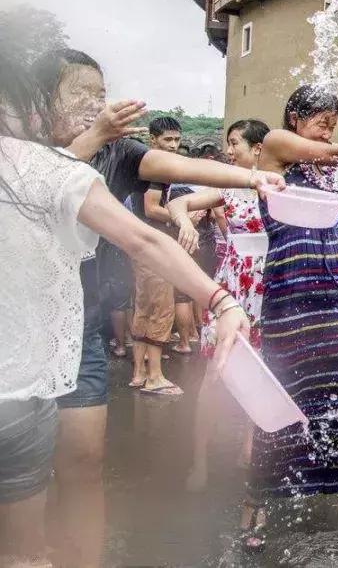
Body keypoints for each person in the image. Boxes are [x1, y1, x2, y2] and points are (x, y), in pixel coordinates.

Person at [30, 48, 283, 568]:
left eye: (99, 94)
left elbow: (184, 172)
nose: (96, 104)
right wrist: (94, 135)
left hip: (80, 327)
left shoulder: (120, 153)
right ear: (41, 104)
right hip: (17, 325)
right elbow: (40, 188)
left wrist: (252, 178)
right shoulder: (22, 149)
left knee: (82, 460)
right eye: (80, 94)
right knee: (22, 466)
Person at [245, 85, 338, 553]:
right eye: (320, 119)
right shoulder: (276, 149)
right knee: (278, 399)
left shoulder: (328, 174)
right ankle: (258, 502)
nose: (328, 128)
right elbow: (332, 153)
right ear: (294, 117)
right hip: (289, 295)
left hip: (333, 294)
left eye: (333, 120)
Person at [167, 119, 271, 492]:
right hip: (233, 289)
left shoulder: (276, 186)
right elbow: (179, 201)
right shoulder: (227, 186)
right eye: (227, 144)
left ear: (258, 149)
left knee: (260, 374)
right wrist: (185, 222)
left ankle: (248, 448)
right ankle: (199, 459)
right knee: (213, 375)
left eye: (235, 144)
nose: (229, 151)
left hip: (267, 289)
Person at [128, 116, 193, 393]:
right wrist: (182, 219)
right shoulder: (157, 168)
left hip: (142, 246)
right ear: (153, 139)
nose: (173, 145)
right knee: (161, 310)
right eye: (168, 139)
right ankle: (154, 377)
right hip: (154, 247)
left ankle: (139, 374)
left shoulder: (147, 163)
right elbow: (151, 207)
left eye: (177, 140)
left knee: (144, 309)